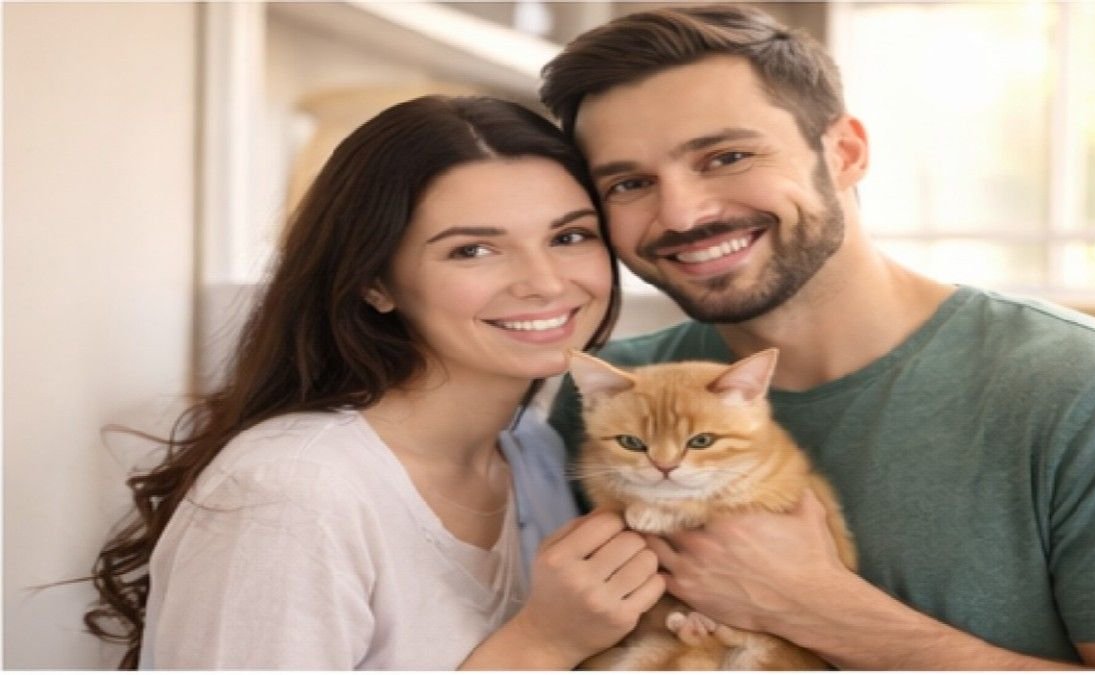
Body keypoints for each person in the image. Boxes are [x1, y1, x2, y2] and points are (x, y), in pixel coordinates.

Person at [541, 4, 1095, 670]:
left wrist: (824, 611)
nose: (681, 212)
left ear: (846, 152)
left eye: (727, 156)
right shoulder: (606, 399)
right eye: (629, 183)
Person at [84, 95, 665, 669]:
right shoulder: (291, 490)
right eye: (473, 250)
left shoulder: (534, 452)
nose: (544, 282)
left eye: (569, 237)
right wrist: (543, 645)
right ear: (374, 283)